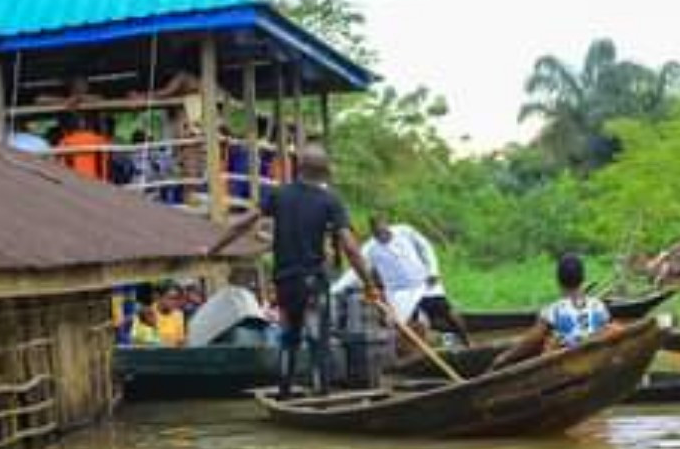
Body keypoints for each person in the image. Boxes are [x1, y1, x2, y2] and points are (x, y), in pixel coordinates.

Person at [209, 142, 380, 399]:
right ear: (324, 172)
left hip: (286, 283)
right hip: (313, 284)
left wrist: (215, 248)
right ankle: (321, 398)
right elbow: (350, 248)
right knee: (316, 342)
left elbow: (242, 223)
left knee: (289, 339)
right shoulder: (330, 201)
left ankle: (285, 393)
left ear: (298, 167)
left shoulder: (280, 195)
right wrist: (369, 282)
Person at [348, 214, 472, 345]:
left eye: (384, 232)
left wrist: (433, 271)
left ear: (388, 226)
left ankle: (467, 341)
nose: (382, 236)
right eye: (377, 234)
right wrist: (337, 289)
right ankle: (431, 344)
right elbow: (354, 271)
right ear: (373, 233)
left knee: (447, 311)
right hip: (399, 292)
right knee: (407, 325)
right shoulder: (370, 248)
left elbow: (426, 247)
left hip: (424, 283)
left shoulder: (405, 231)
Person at [487, 254, 610, 371]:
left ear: (558, 281)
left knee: (549, 342)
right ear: (583, 278)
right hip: (594, 359)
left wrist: (503, 358)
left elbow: (531, 341)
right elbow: (605, 331)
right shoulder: (599, 306)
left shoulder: (553, 310)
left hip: (567, 365)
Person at [54, 114, 111, 181]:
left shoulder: (65, 141)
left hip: (74, 183)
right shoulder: (101, 140)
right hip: (97, 182)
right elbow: (106, 161)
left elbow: (59, 164)